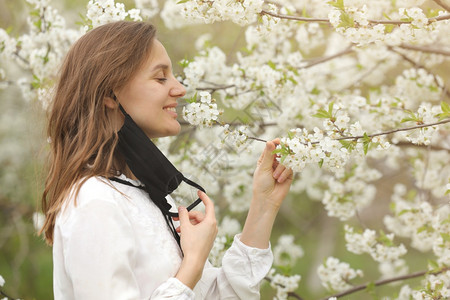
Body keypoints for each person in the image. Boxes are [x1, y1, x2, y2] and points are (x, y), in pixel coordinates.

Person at [40, 21, 293, 299]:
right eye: (161, 78)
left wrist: (264, 203)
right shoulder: (94, 200)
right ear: (110, 94)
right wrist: (193, 264)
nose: (180, 89)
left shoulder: (146, 196)